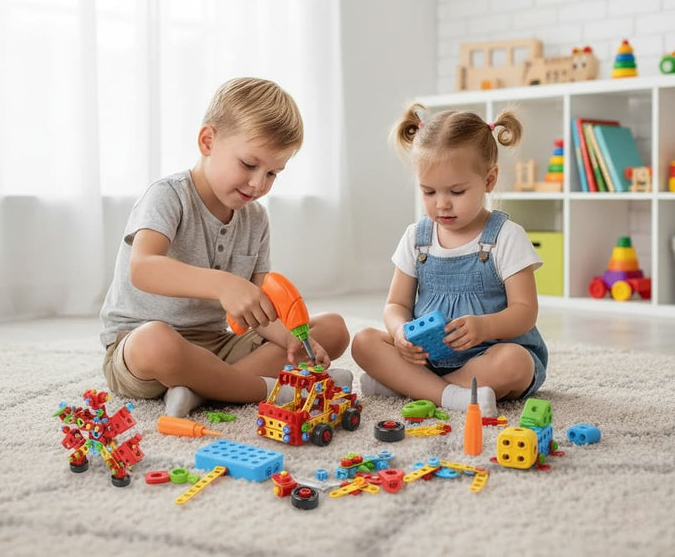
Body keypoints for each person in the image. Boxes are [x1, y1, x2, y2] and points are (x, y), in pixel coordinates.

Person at [100, 77, 352, 417]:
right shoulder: (168, 195)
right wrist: (223, 284)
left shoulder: (256, 219)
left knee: (332, 330)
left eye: (273, 173)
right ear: (208, 141)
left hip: (218, 344)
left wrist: (290, 339)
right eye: (249, 165)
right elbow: (143, 268)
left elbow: (259, 312)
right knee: (154, 343)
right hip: (143, 346)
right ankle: (256, 389)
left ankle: (205, 389)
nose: (258, 183)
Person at [351, 106, 547, 417]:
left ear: (489, 179)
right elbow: (395, 305)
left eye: (456, 191)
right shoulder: (417, 237)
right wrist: (401, 332)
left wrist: (484, 327)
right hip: (426, 357)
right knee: (363, 341)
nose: (441, 203)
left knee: (516, 363)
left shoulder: (506, 237)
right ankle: (448, 393)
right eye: (428, 191)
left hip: (487, 355)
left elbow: (525, 312)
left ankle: (414, 387)